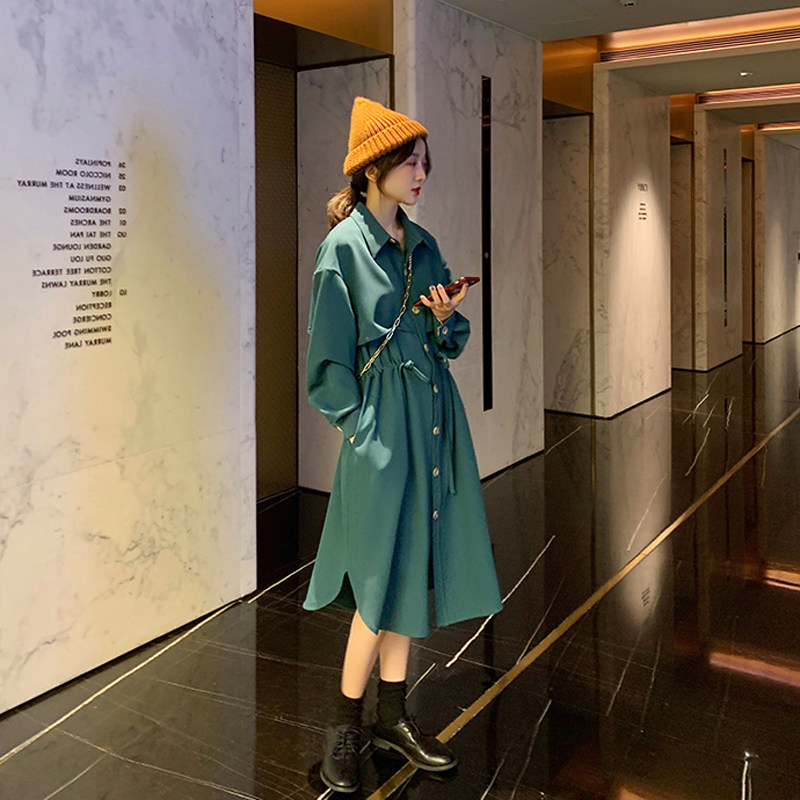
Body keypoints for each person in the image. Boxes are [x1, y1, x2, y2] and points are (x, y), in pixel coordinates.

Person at [303, 96, 503, 793]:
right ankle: (343, 725)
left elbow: (445, 344)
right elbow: (326, 362)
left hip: (434, 420)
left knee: (411, 566)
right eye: (410, 163)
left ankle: (392, 717)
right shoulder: (342, 251)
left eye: (425, 164)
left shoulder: (423, 244)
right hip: (382, 430)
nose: (421, 174)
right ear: (372, 169)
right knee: (376, 579)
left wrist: (446, 318)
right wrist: (361, 429)